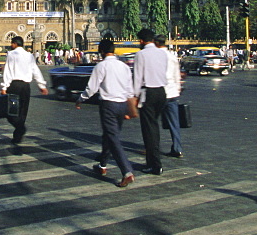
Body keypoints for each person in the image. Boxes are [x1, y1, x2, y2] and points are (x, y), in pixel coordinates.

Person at [76, 38, 137, 188]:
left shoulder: (101, 66)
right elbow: (130, 90)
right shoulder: (123, 67)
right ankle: (102, 164)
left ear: (101, 51)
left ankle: (127, 171)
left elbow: (92, 88)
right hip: (122, 104)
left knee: (113, 138)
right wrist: (130, 108)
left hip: (108, 105)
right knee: (109, 136)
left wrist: (80, 99)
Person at [133, 27, 168, 175]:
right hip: (161, 92)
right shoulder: (163, 53)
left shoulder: (141, 55)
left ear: (141, 40)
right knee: (154, 128)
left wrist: (134, 96)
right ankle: (152, 162)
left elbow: (137, 77)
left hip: (148, 92)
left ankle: (155, 164)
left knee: (149, 130)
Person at [0, 36, 48, 145]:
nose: (11, 45)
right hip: (26, 86)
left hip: (14, 85)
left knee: (10, 111)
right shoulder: (29, 56)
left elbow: (7, 71)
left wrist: (4, 87)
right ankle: (17, 136)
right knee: (23, 111)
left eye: (12, 43)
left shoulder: (11, 54)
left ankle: (20, 128)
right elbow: (35, 70)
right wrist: (41, 85)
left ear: (15, 44)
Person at [155, 34, 184, 159]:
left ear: (156, 43)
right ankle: (177, 148)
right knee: (174, 123)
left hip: (159, 93)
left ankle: (152, 147)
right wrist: (177, 89)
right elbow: (177, 75)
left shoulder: (156, 57)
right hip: (172, 93)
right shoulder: (172, 56)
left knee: (152, 122)